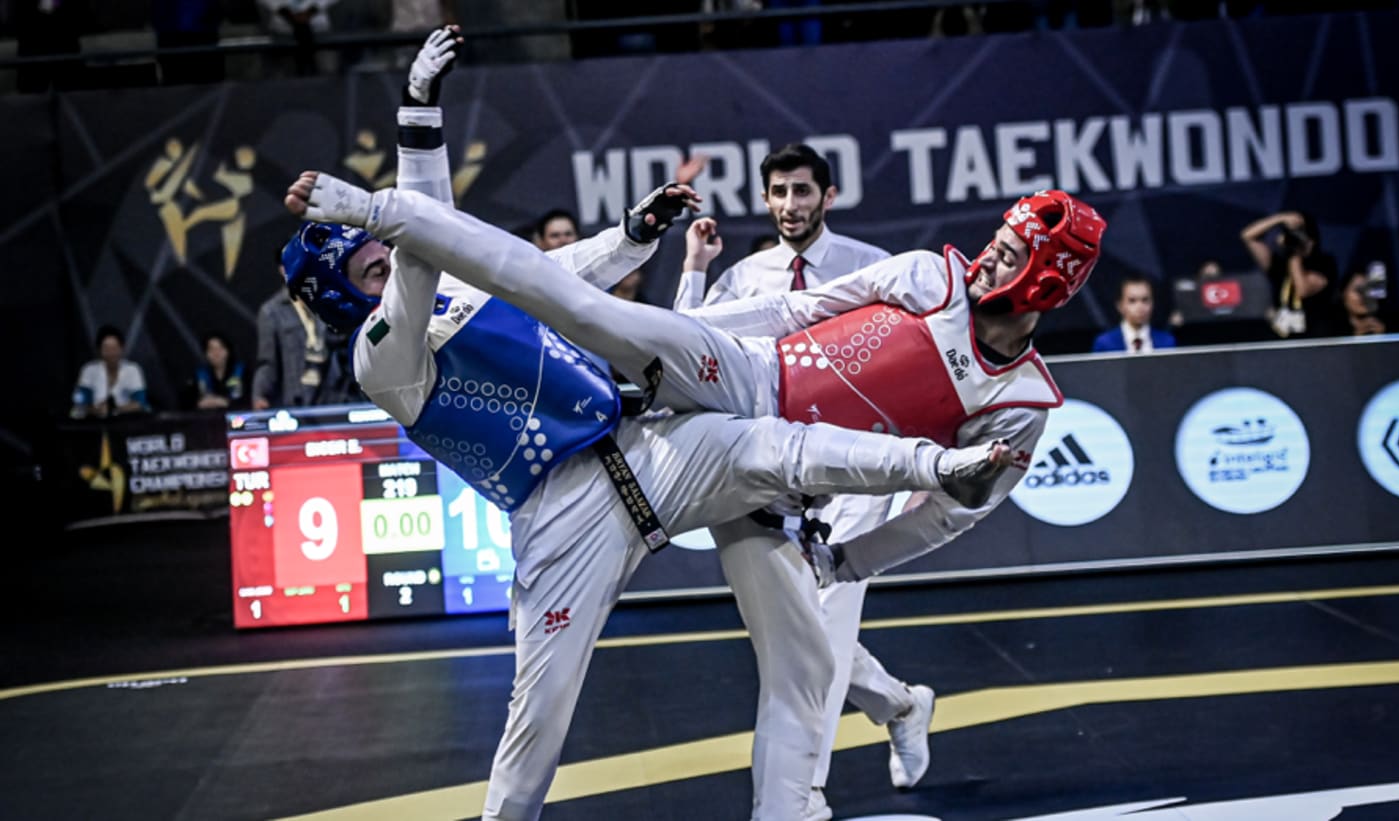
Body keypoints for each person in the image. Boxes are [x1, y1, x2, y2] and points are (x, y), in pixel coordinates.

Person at [281, 29, 1007, 821]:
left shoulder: (445, 280)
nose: (380, 256)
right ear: (335, 290)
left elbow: (548, 272)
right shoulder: (379, 359)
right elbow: (422, 241)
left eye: (378, 248)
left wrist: (632, 232)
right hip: (561, 520)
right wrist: (403, 158)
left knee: (774, 473)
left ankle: (929, 472)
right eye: (363, 260)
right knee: (537, 725)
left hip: (645, 449)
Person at [674, 142, 933, 820]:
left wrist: (923, 463)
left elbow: (919, 368)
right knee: (797, 633)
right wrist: (696, 269)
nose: (791, 204)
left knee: (827, 616)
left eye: (802, 191)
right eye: (779, 192)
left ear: (828, 196)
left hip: (857, 471)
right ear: (765, 199)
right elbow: (684, 344)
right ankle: (900, 704)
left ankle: (803, 793)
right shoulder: (745, 276)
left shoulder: (873, 269)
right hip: (771, 473)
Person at [252, 245, 357, 409]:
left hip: (335, 391)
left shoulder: (327, 298)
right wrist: (260, 394)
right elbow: (268, 360)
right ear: (282, 270)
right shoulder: (272, 310)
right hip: (297, 395)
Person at [1240, 209, 1339, 338]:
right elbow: (1247, 236)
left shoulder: (1324, 263)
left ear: (1312, 239)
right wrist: (1280, 218)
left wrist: (1295, 252)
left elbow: (1302, 290)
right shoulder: (1279, 263)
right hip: (1281, 334)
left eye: (1301, 232)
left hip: (1312, 336)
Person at [71, 325, 150, 419]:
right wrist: (95, 410)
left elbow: (140, 403)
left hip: (127, 421)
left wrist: (115, 409)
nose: (111, 353)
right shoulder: (89, 370)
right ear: (99, 350)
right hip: (95, 422)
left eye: (115, 348)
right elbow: (80, 404)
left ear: (121, 349)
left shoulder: (133, 369)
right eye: (106, 349)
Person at [1091, 272, 1176, 353]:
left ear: (1152, 303)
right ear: (1120, 306)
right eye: (1132, 301)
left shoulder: (1167, 342)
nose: (1140, 307)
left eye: (1145, 300)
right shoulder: (1105, 344)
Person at [187, 331, 249, 410]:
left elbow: (249, 398)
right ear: (206, 353)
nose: (216, 353)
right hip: (206, 416)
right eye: (211, 349)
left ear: (228, 351)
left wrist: (227, 402)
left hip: (235, 415)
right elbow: (186, 401)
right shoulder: (199, 374)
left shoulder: (242, 371)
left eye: (220, 348)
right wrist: (199, 403)